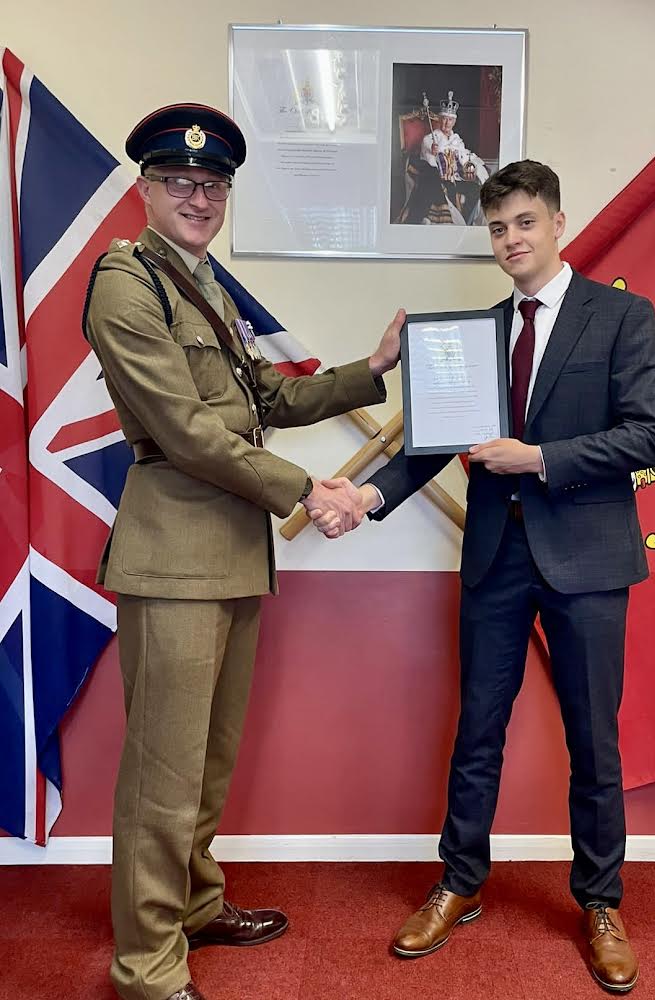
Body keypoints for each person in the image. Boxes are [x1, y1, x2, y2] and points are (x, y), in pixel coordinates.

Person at [310, 160, 655, 993]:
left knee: (594, 741)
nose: (512, 239)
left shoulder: (621, 316)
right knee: (477, 734)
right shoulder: (470, 332)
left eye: (526, 223)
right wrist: (363, 495)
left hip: (588, 560)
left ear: (558, 222)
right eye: (499, 227)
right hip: (496, 561)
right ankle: (459, 882)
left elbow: (650, 436)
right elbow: (431, 443)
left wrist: (541, 457)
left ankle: (602, 900)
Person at [84, 103, 402, 1000]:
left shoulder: (204, 283)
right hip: (173, 552)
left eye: (213, 185)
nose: (198, 198)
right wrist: (311, 490)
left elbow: (262, 393)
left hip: (228, 552)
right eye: (179, 182)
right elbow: (186, 432)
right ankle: (146, 965)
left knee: (208, 759)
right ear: (145, 188)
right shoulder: (127, 281)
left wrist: (370, 369)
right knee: (163, 770)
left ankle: (193, 905)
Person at [401, 91, 489, 225]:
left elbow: (465, 157)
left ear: (454, 122)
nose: (446, 123)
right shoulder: (431, 138)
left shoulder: (457, 140)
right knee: (433, 181)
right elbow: (428, 152)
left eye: (450, 120)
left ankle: (466, 222)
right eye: (444, 119)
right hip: (438, 176)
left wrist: (472, 166)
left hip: (456, 178)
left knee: (476, 190)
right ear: (440, 120)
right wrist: (433, 150)